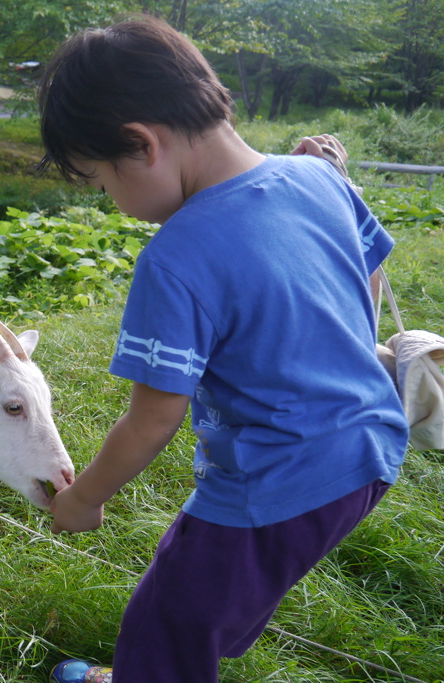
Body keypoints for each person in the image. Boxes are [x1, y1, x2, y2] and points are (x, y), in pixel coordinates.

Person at [37, 15, 408, 683]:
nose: (113, 202)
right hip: (372, 453)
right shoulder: (319, 176)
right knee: (218, 584)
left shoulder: (177, 256)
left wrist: (84, 498)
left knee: (168, 617)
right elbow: (368, 272)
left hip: (277, 478)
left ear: (140, 144)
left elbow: (152, 420)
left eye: (101, 183)